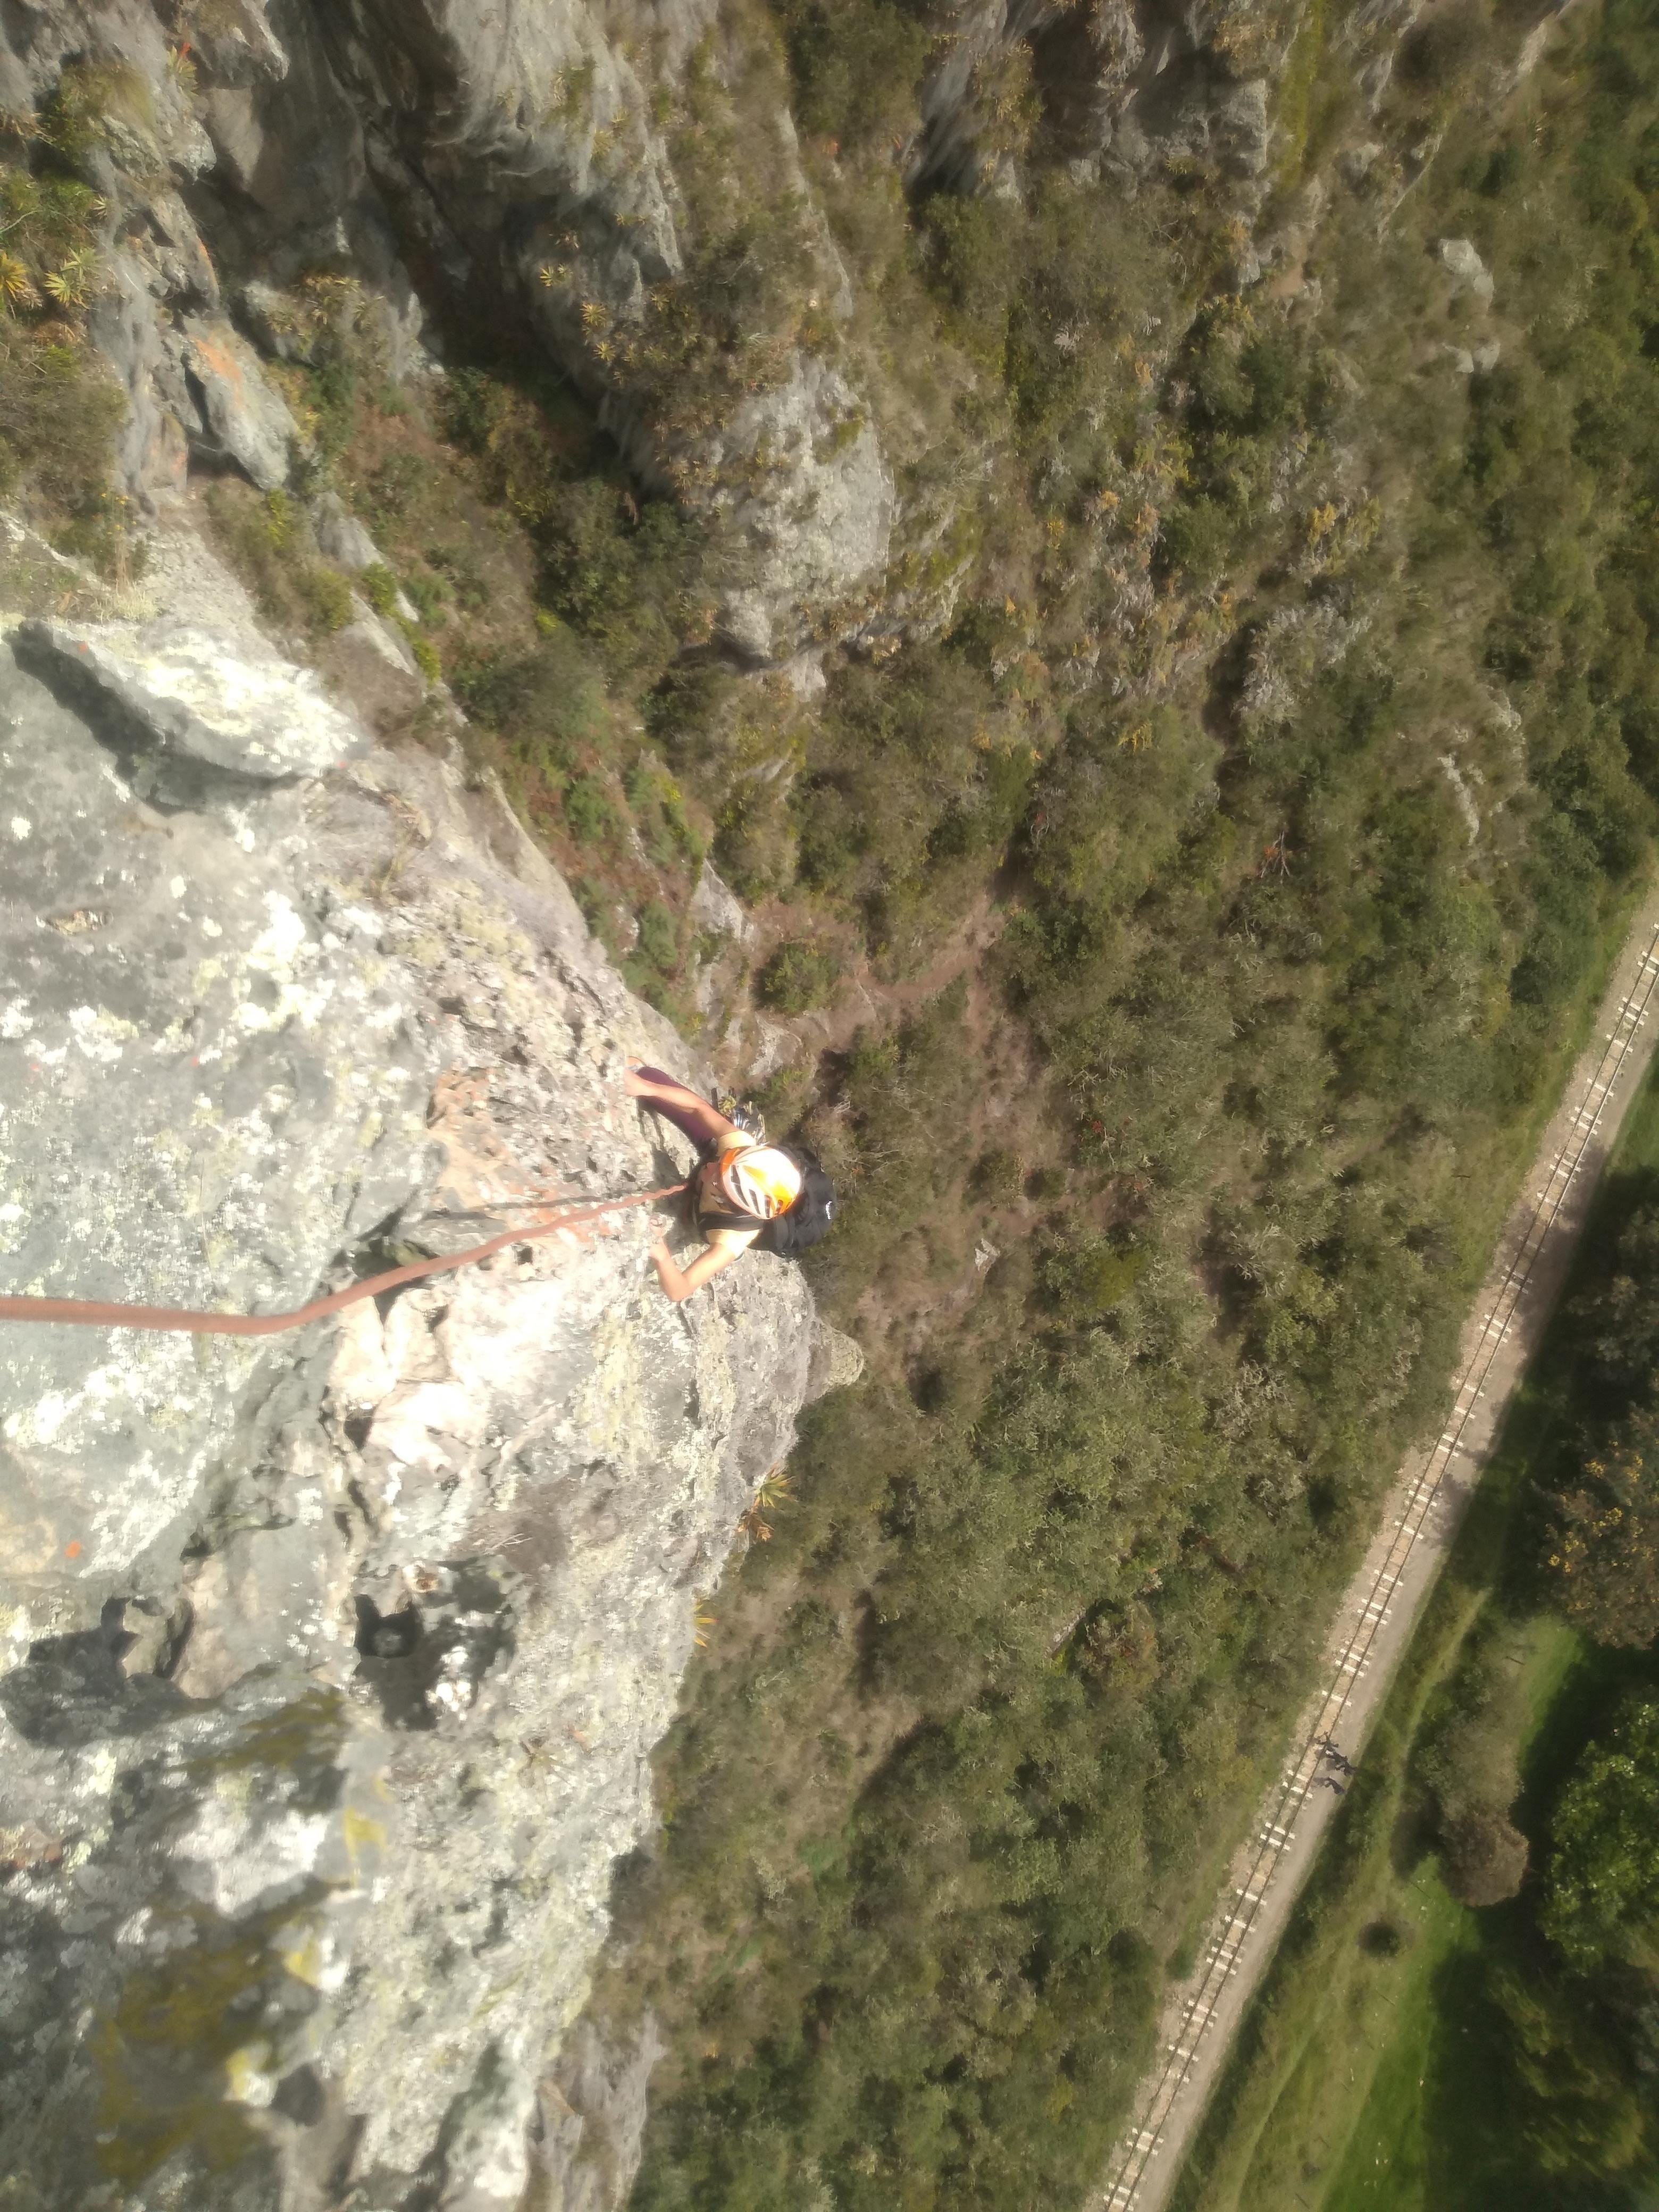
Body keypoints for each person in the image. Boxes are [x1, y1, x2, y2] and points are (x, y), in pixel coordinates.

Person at [625, 1064, 806, 1302]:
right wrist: (647, 1088)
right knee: (648, 1075)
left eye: (717, 1174)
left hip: (715, 1217)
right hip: (728, 1162)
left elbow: (679, 1290)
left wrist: (662, 1255)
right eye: (721, 1163)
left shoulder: (730, 1239)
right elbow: (698, 1107)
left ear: (724, 1199)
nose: (709, 1166)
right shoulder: (740, 1146)